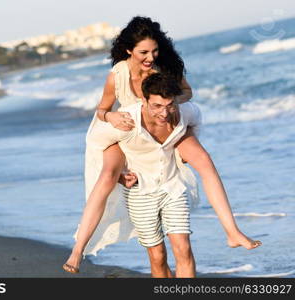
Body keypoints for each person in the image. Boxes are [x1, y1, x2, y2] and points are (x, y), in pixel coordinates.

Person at [81, 73, 262, 277]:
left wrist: (187, 147)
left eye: (170, 105)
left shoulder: (185, 112)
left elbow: (196, 121)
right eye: (157, 106)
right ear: (144, 100)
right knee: (157, 256)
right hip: (141, 192)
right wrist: (120, 171)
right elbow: (96, 142)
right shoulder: (128, 120)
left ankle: (232, 233)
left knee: (183, 248)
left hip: (172, 187)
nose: (165, 112)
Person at [63, 16, 193, 274]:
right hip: (122, 131)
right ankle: (77, 251)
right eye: (144, 52)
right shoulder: (118, 74)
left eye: (154, 50)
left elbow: (188, 92)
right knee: (107, 176)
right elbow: (102, 109)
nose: (150, 56)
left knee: (165, 249)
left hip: (151, 132)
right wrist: (110, 115)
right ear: (128, 50)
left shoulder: (163, 71)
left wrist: (173, 103)